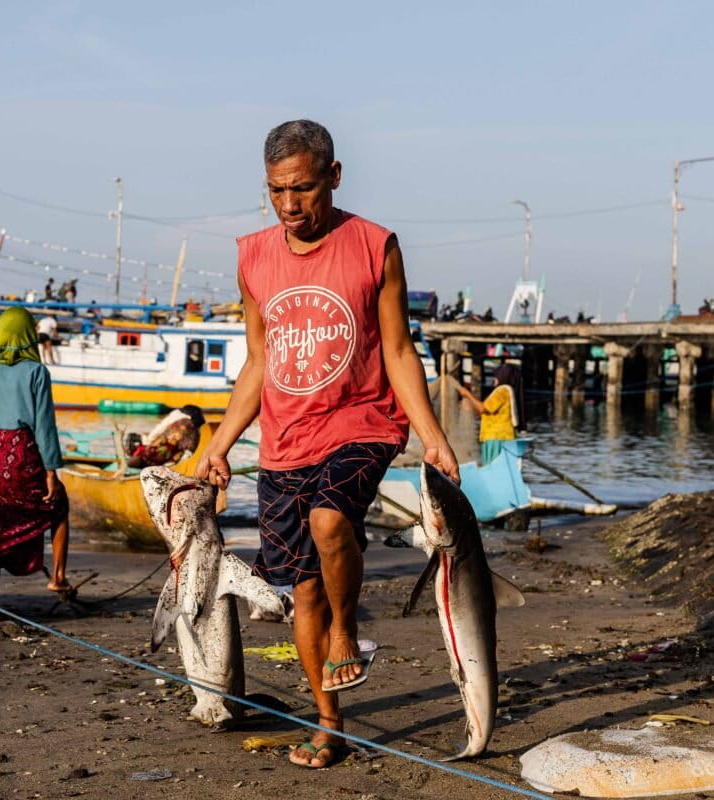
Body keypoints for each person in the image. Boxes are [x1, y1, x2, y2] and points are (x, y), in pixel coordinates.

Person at [195, 120, 460, 770]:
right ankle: (330, 722)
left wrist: (432, 436)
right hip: (284, 444)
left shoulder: (374, 246)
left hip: (362, 422)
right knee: (302, 593)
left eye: (304, 188)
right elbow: (258, 361)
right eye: (277, 191)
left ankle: (348, 628)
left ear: (334, 177)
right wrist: (221, 442)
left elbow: (397, 348)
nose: (291, 205)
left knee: (331, 520)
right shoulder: (254, 255)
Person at [0, 306, 70, 605]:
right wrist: (51, 473)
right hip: (20, 452)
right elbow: (44, 426)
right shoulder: (37, 372)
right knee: (58, 507)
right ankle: (57, 579)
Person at [451, 363, 525, 465]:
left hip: (497, 438)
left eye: (496, 377)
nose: (494, 380)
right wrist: (469, 408)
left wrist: (468, 394)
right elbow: (485, 412)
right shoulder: (505, 391)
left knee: (492, 464)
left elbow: (483, 408)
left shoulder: (502, 391)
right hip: (498, 437)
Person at [126, 405, 206, 468]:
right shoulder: (190, 425)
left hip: (157, 453)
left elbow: (156, 432)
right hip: (166, 456)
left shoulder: (177, 419)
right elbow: (189, 450)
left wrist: (147, 441)